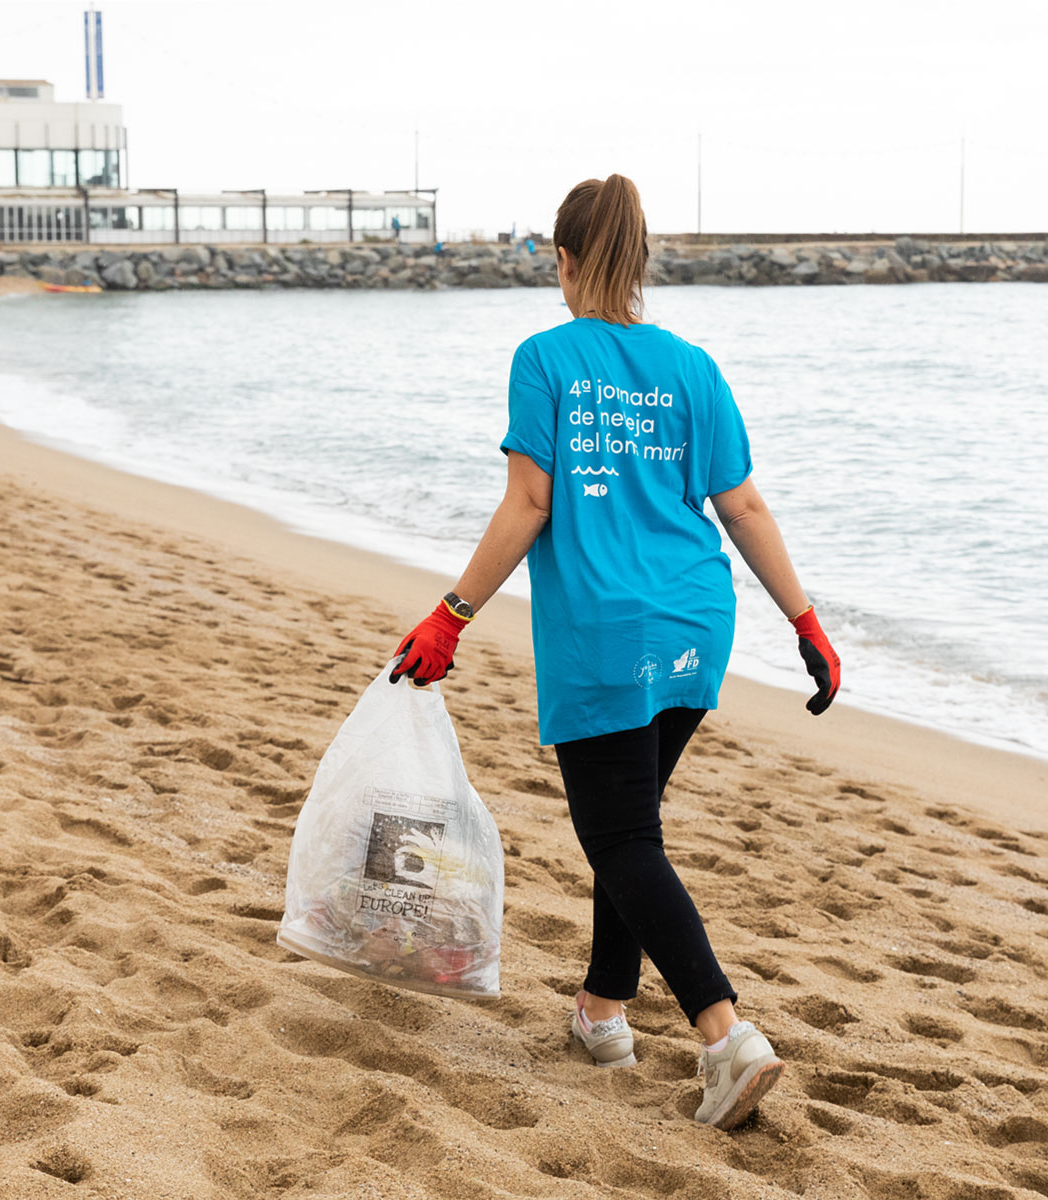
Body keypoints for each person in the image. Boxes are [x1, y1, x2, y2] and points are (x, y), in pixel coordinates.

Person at [387, 174, 841, 1132]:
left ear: (564, 259)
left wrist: (452, 614)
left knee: (622, 837)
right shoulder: (693, 367)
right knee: (632, 827)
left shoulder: (544, 358)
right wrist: (804, 622)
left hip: (604, 630)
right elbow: (743, 506)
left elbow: (530, 505)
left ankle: (726, 1039)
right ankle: (602, 1011)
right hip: (695, 624)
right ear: (639, 260)